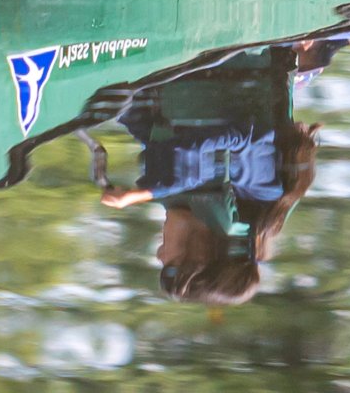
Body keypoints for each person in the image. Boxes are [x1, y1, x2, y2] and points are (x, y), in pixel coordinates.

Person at [98, 48, 321, 306]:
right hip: (238, 47)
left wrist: (108, 103)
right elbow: (244, 134)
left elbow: (151, 128)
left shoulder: (174, 194)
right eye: (170, 265)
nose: (159, 254)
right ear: (202, 254)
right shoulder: (260, 196)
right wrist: (149, 191)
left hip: (179, 56)